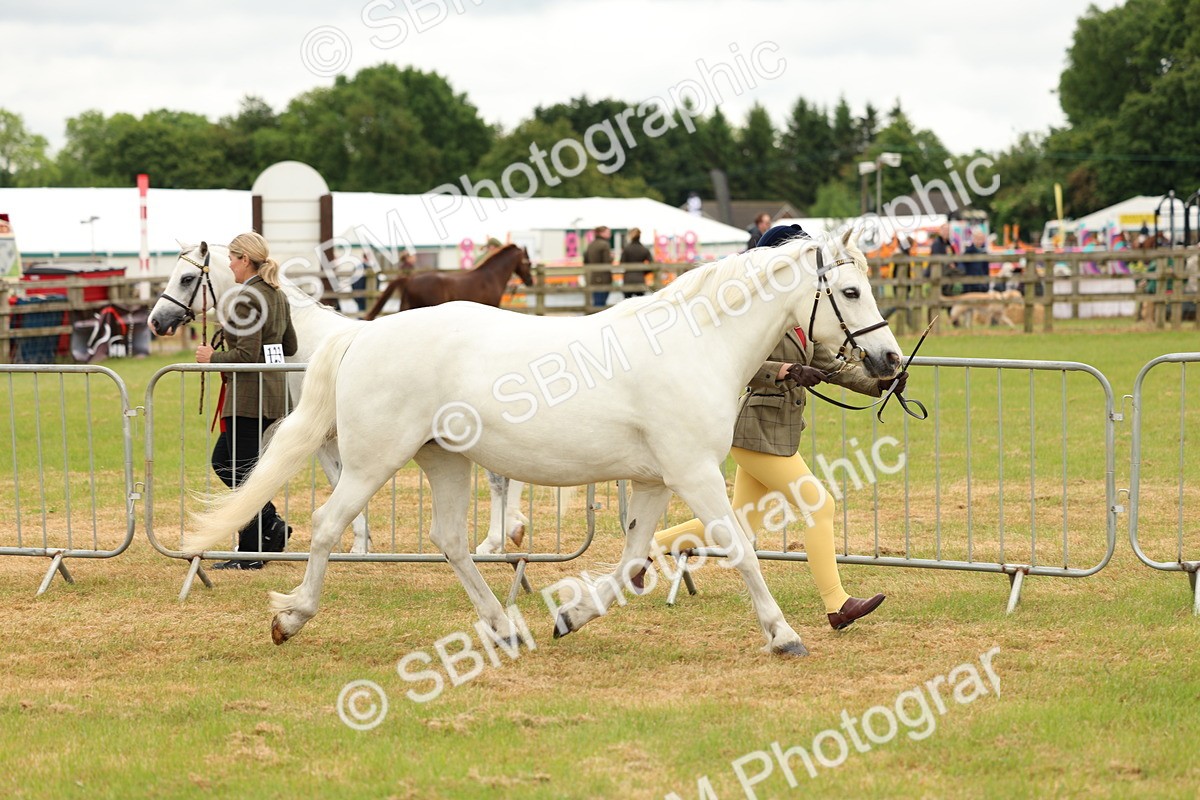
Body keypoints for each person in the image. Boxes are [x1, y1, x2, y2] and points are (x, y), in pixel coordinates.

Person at [637, 224, 903, 630]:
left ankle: (647, 550)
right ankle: (837, 604)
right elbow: (738, 366)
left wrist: (880, 382)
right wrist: (784, 370)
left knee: (740, 522)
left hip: (780, 430)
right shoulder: (752, 319)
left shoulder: (804, 318)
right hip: (755, 428)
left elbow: (833, 367)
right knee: (819, 505)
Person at [196, 232, 298, 570]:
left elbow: (246, 354)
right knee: (239, 466)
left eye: (232, 258)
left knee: (232, 465)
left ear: (244, 260)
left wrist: (213, 357)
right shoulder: (277, 295)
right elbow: (290, 347)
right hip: (273, 395)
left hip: (249, 400)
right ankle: (267, 529)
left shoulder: (247, 298)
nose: (229, 264)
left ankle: (254, 548)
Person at [619, 227, 653, 298]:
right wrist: (643, 272)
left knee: (627, 304)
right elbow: (652, 264)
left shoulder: (626, 249)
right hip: (640, 279)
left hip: (628, 279)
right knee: (640, 304)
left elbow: (621, 263)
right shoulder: (644, 249)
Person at [584, 225, 613, 309]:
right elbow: (607, 262)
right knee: (601, 303)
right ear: (601, 233)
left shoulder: (590, 245)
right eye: (608, 232)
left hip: (593, 277)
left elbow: (586, 260)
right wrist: (612, 257)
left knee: (596, 301)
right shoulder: (605, 244)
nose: (610, 234)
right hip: (603, 278)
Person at [929, 223, 959, 297]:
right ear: (940, 231)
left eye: (948, 230)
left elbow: (953, 256)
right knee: (939, 293)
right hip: (940, 272)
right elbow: (936, 257)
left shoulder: (948, 243)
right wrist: (949, 263)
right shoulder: (937, 243)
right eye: (945, 230)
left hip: (948, 273)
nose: (946, 232)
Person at [961, 229, 991, 294]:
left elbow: (986, 270)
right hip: (971, 285)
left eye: (981, 239)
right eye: (978, 238)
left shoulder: (984, 252)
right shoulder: (968, 252)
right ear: (974, 239)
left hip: (982, 285)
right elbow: (963, 267)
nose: (980, 241)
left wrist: (987, 284)